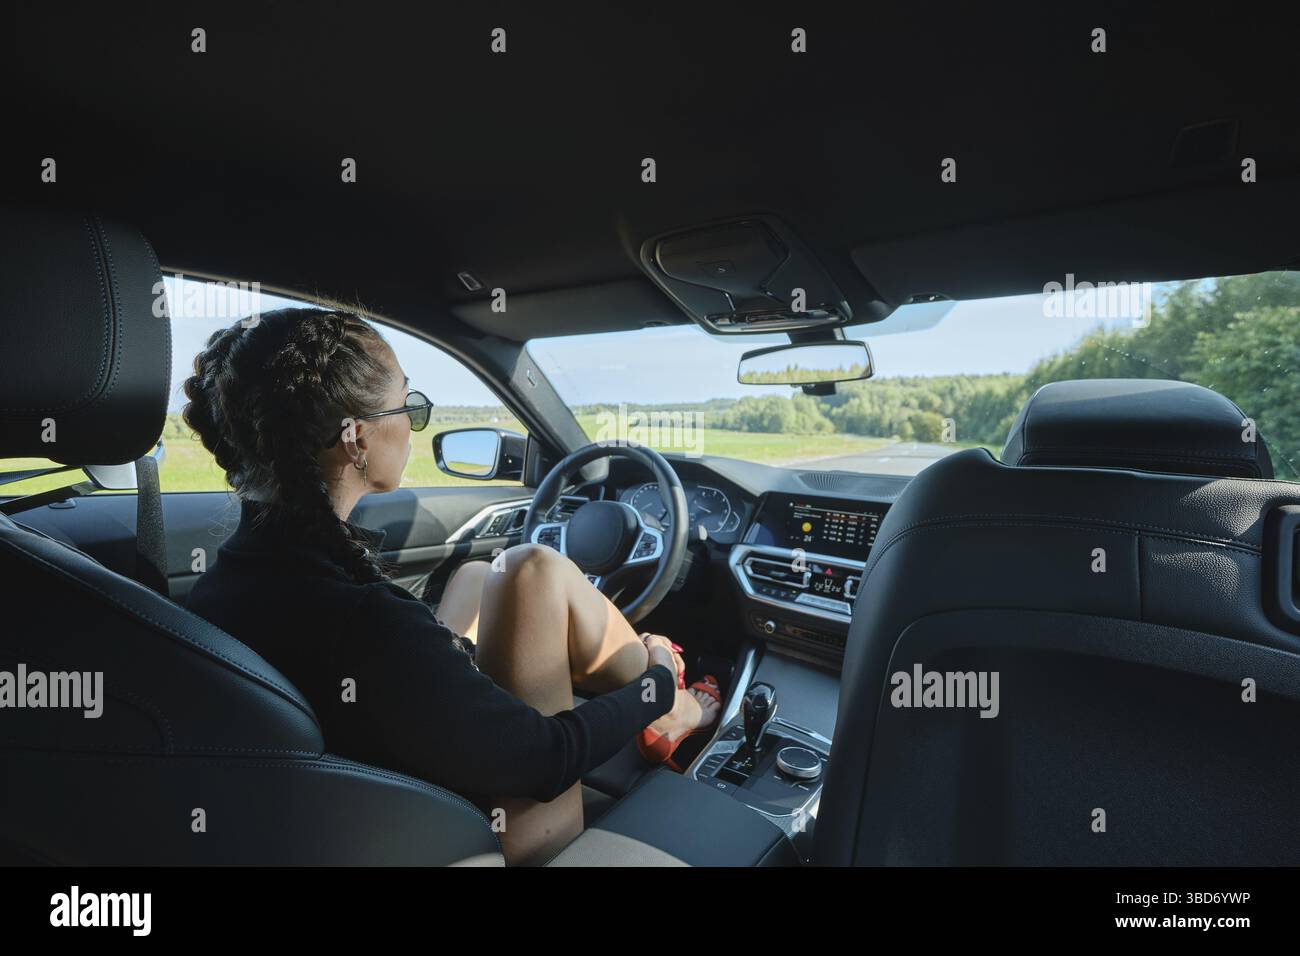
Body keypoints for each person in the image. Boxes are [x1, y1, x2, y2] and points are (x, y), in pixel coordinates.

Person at [183, 307, 720, 865]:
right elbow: (548, 759)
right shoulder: (364, 618)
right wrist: (656, 671)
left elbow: (389, 680)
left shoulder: (226, 585)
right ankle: (672, 707)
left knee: (476, 576)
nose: (416, 425)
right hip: (470, 834)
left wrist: (450, 660)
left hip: (351, 809)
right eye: (409, 407)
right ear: (357, 438)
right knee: (534, 566)